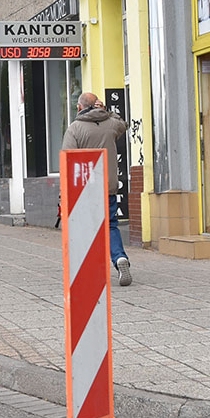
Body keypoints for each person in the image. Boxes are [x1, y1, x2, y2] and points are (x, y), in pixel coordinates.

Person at [61, 92, 132, 286]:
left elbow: (67, 160)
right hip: (108, 186)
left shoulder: (75, 129)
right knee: (111, 225)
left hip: (84, 188)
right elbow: (123, 123)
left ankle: (89, 270)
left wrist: (64, 193)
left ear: (79, 107)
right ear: (98, 106)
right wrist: (106, 111)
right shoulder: (111, 125)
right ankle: (119, 257)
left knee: (86, 228)